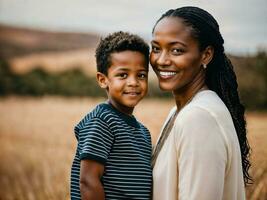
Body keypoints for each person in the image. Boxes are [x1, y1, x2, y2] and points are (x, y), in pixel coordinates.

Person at [150, 6, 251, 200]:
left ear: (206, 55)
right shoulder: (180, 111)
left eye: (176, 50)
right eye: (156, 48)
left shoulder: (199, 118)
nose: (161, 60)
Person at [70, 31, 152, 200]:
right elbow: (88, 181)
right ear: (103, 80)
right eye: (123, 75)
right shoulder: (102, 121)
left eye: (141, 75)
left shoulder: (144, 132)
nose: (133, 82)